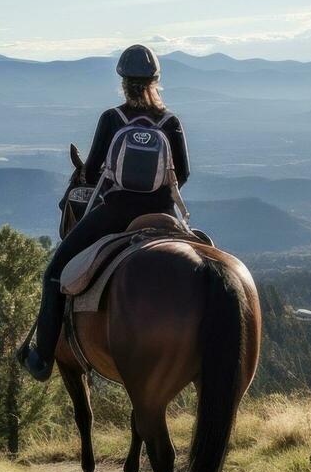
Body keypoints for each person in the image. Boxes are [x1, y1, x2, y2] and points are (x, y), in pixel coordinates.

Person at [21, 44, 189, 381]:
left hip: (116, 212)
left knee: (55, 270)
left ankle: (42, 359)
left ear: (123, 82)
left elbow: (93, 171)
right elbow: (182, 174)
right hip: (164, 214)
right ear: (156, 81)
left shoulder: (113, 118)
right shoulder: (171, 122)